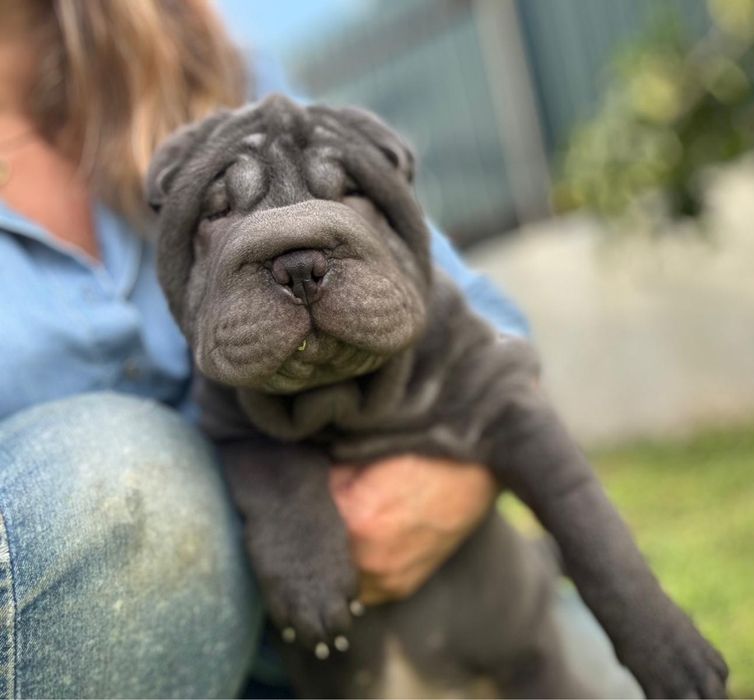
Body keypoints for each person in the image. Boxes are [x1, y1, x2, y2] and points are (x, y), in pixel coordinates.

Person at [0, 1, 639, 697]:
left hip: (442, 588)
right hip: (121, 635)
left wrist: (451, 479)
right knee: (105, 473)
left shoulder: (193, 49)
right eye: (220, 211)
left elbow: (465, 306)